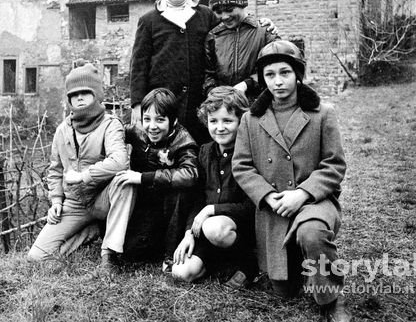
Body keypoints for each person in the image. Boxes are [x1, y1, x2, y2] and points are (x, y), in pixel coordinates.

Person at [232, 41, 351, 322]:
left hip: (315, 201)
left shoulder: (323, 113)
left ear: (298, 74)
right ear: (262, 78)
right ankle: (296, 269)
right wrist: (267, 196)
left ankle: (332, 298)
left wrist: (303, 193)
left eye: (285, 73)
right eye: (270, 75)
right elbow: (242, 166)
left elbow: (334, 165)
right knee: (284, 290)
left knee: (312, 233)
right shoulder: (251, 119)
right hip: (275, 208)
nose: (277, 81)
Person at [129, 0, 278, 144]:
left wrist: (262, 23)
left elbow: (231, 26)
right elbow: (139, 65)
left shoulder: (205, 15)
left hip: (196, 102)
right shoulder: (149, 21)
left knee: (197, 150)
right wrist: (137, 105)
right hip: (162, 103)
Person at [28, 63, 136, 273]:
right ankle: (91, 231)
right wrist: (56, 201)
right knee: (36, 257)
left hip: (103, 198)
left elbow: (119, 160)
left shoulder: (110, 124)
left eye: (85, 93)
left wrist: (84, 176)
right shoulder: (62, 130)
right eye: (74, 94)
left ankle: (109, 254)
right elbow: (55, 170)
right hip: (75, 204)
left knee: (125, 182)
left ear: (96, 94)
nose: (79, 98)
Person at [171, 86, 257, 288]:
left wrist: (212, 210)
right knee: (180, 273)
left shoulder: (249, 154)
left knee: (215, 228)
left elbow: (250, 206)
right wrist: (189, 233)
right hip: (207, 230)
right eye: (213, 121)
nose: (220, 128)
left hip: (237, 229)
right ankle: (217, 261)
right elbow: (197, 197)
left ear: (241, 121)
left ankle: (249, 265)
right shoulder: (205, 152)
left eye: (228, 121)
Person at [115, 88, 199, 267]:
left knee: (180, 192)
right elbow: (113, 131)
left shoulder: (184, 142)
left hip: (170, 208)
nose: (152, 126)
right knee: (131, 253)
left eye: (160, 120)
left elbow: (190, 174)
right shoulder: (137, 132)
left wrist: (143, 178)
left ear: (173, 120)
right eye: (147, 119)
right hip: (145, 203)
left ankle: (171, 252)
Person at [204, 0, 279, 101]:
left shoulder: (264, 32)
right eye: (219, 12)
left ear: (242, 4)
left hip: (259, 109)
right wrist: (215, 93)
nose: (225, 16)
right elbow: (208, 75)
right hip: (225, 110)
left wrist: (247, 85)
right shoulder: (213, 37)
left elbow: (277, 68)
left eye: (230, 9)